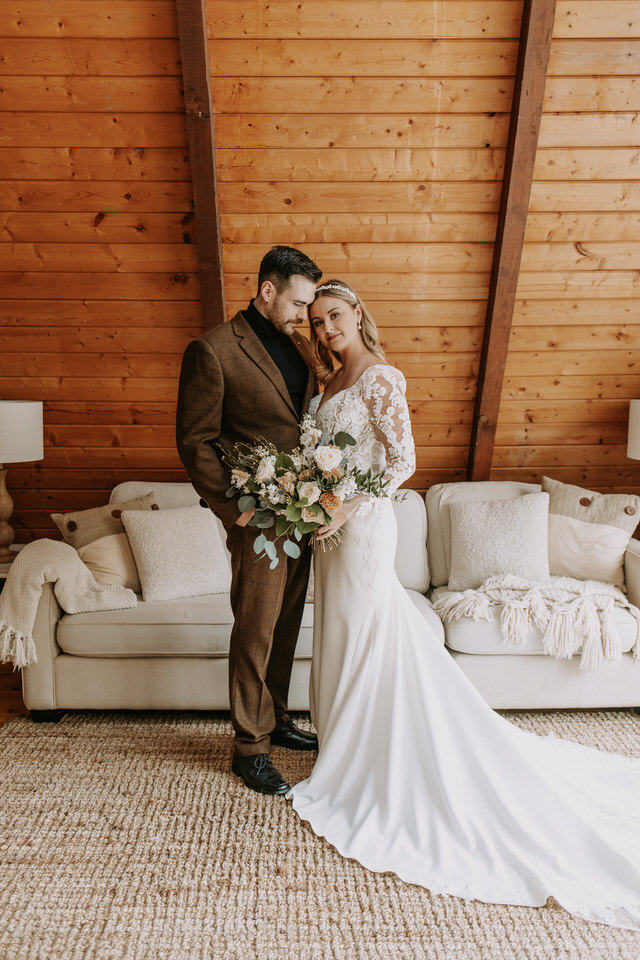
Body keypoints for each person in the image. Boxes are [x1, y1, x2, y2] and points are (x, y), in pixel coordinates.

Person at [288, 278, 640, 930]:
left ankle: (366, 753)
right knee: (338, 633)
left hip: (362, 531)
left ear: (358, 312)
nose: (326, 329)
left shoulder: (380, 379)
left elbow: (402, 462)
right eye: (316, 322)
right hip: (328, 531)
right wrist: (312, 502)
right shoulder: (326, 384)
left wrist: (347, 506)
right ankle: (342, 739)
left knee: (365, 629)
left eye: (333, 315)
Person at [176, 246, 322, 795]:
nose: (304, 314)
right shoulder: (212, 350)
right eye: (297, 301)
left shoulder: (300, 346)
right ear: (267, 290)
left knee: (285, 624)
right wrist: (235, 511)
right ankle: (249, 748)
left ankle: (278, 719)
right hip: (255, 517)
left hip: (304, 511)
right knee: (256, 627)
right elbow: (195, 441)